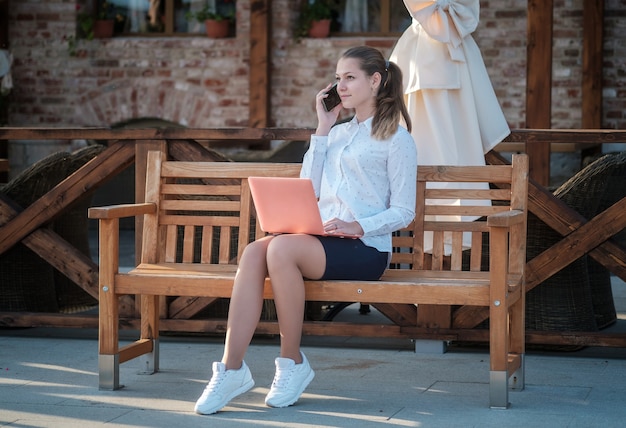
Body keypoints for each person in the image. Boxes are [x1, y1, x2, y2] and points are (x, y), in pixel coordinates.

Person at [193, 45, 418, 415]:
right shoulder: (338, 134)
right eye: (337, 78)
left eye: (350, 77)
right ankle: (231, 369)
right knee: (254, 251)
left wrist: (358, 224)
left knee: (280, 250)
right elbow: (308, 189)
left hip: (366, 249)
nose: (340, 86)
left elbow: (404, 211)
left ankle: (292, 362)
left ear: (375, 81)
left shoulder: (397, 138)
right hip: (321, 240)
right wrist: (322, 130)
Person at [389, 0, 510, 253]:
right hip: (426, 58)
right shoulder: (417, 49)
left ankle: (446, 240)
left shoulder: (456, 38)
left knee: (453, 141)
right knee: (430, 144)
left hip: (450, 53)